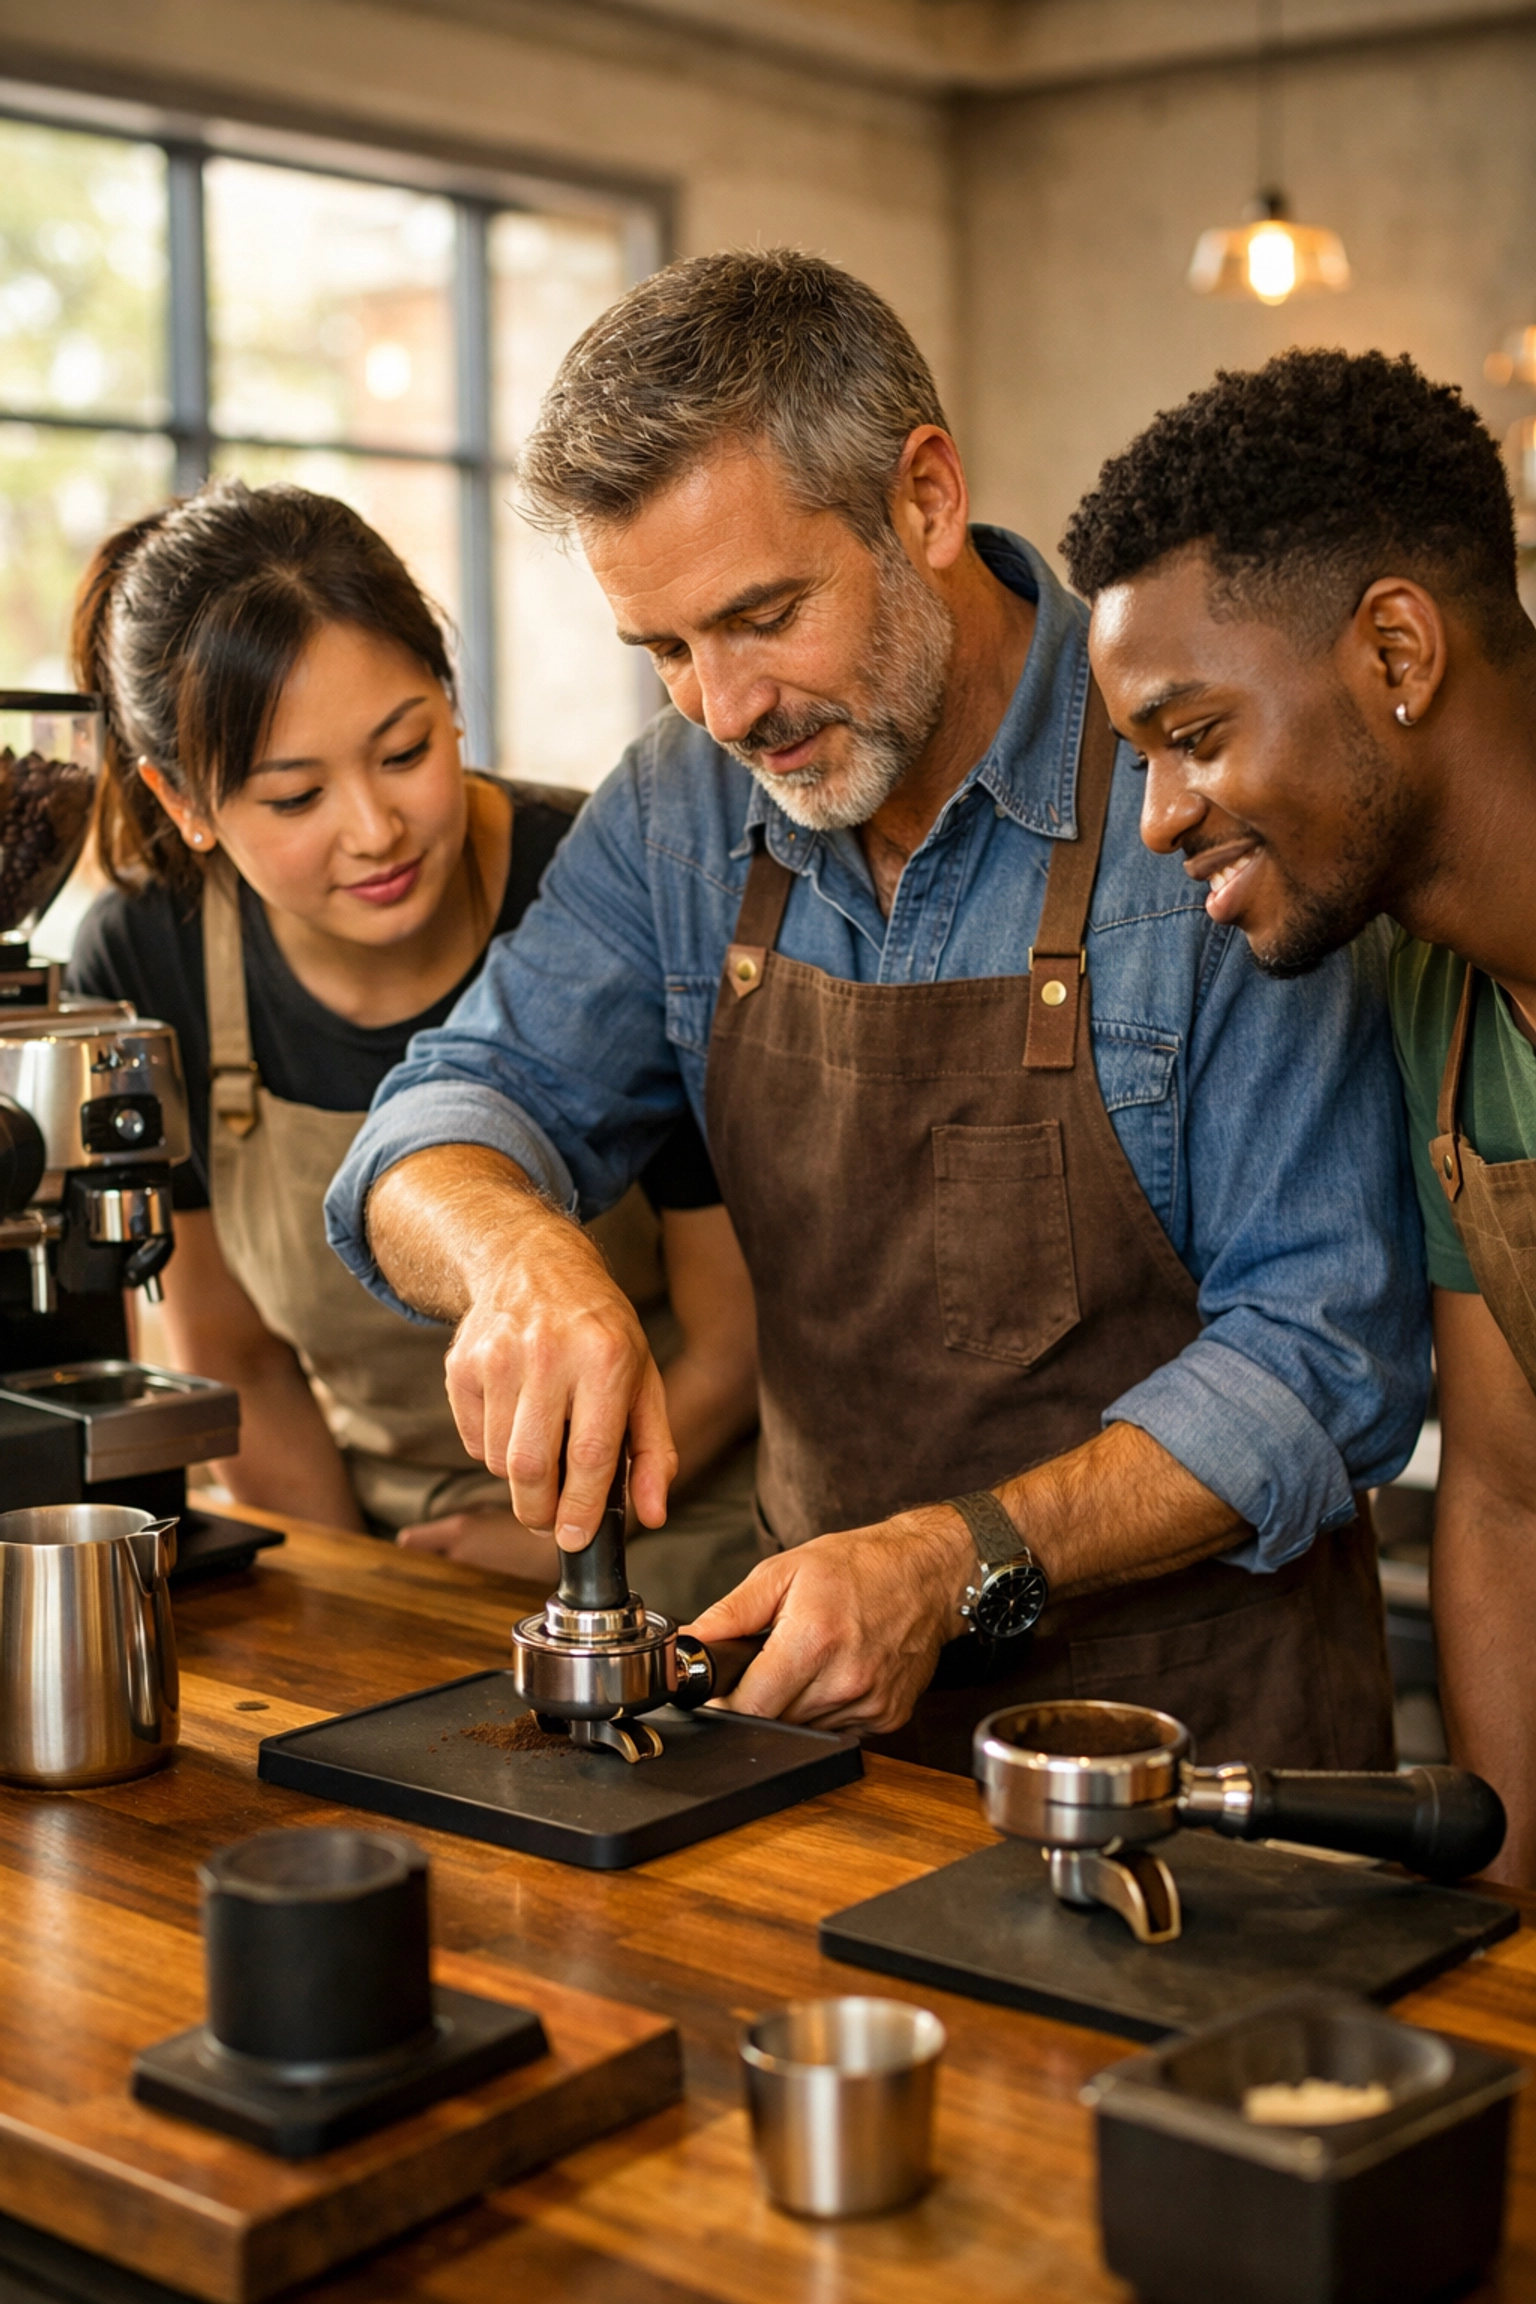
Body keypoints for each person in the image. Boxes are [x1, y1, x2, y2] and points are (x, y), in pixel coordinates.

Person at [325, 252, 1429, 1775]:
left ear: (923, 498)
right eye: (664, 651)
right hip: (822, 1746)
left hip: (1199, 1755)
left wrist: (954, 1560)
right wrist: (517, 1255)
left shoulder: (1189, 793)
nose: (722, 708)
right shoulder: (680, 810)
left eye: (762, 615)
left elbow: (1327, 1349)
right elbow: (440, 1119)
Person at [67, 478, 758, 1606]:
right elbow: (235, 1358)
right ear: (183, 800)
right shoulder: (150, 960)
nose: (375, 831)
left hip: (669, 1514)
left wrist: (559, 1540)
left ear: (449, 697)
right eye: (293, 798)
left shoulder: (600, 885)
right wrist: (355, 1601)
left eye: (403, 751)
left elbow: (737, 1340)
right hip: (365, 1538)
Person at [1062, 346, 1536, 1881]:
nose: (1158, 821)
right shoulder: (1434, 1001)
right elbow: (1513, 1504)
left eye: (1193, 735)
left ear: (1397, 650)